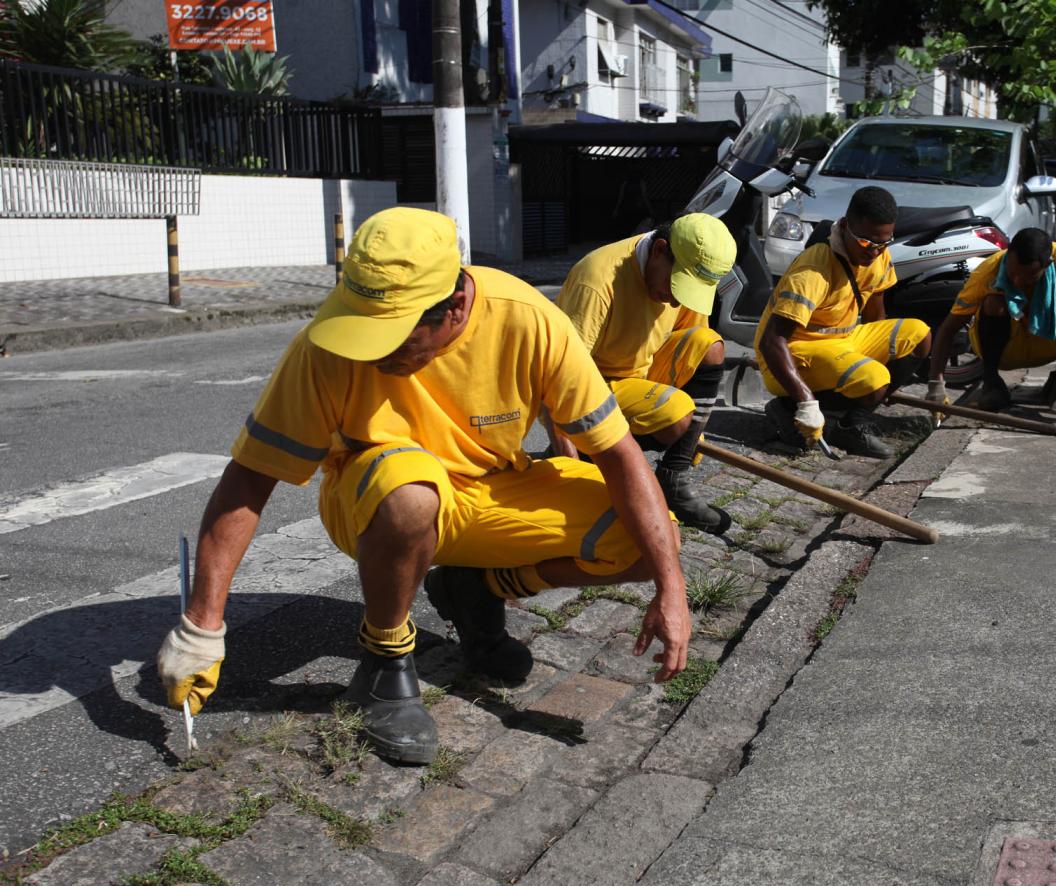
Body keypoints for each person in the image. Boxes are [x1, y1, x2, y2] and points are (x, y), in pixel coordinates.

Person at [156, 207, 690, 766]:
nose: (372, 351)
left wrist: (671, 589)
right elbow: (249, 479)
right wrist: (202, 624)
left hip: (490, 490)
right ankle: (385, 664)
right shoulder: (325, 347)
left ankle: (480, 589)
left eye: (392, 334)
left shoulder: (529, 320)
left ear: (456, 306)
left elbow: (621, 456)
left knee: (653, 542)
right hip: (376, 498)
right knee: (411, 491)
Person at [551, 213, 737, 534]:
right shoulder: (597, 279)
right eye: (674, 285)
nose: (676, 298)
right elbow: (557, 379)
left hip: (642, 374)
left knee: (710, 346)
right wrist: (568, 474)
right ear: (659, 250)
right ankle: (591, 457)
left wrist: (688, 438)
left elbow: (693, 343)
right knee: (677, 414)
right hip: (595, 384)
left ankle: (672, 477)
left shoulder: (678, 278)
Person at [755, 186, 932, 458]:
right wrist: (806, 402)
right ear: (846, 226)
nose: (874, 251)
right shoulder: (813, 271)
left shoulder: (878, 254)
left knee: (919, 335)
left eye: (883, 243)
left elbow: (875, 312)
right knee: (875, 379)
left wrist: (886, 371)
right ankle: (791, 408)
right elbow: (772, 341)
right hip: (793, 351)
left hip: (842, 342)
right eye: (866, 243)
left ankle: (851, 421)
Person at [925, 227, 1056, 412]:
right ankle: (992, 382)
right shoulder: (987, 272)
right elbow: (949, 328)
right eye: (1013, 273)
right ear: (1008, 254)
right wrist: (936, 386)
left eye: (1029, 277)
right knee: (995, 302)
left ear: (1048, 264)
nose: (1018, 281)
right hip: (1008, 349)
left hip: (1049, 339)